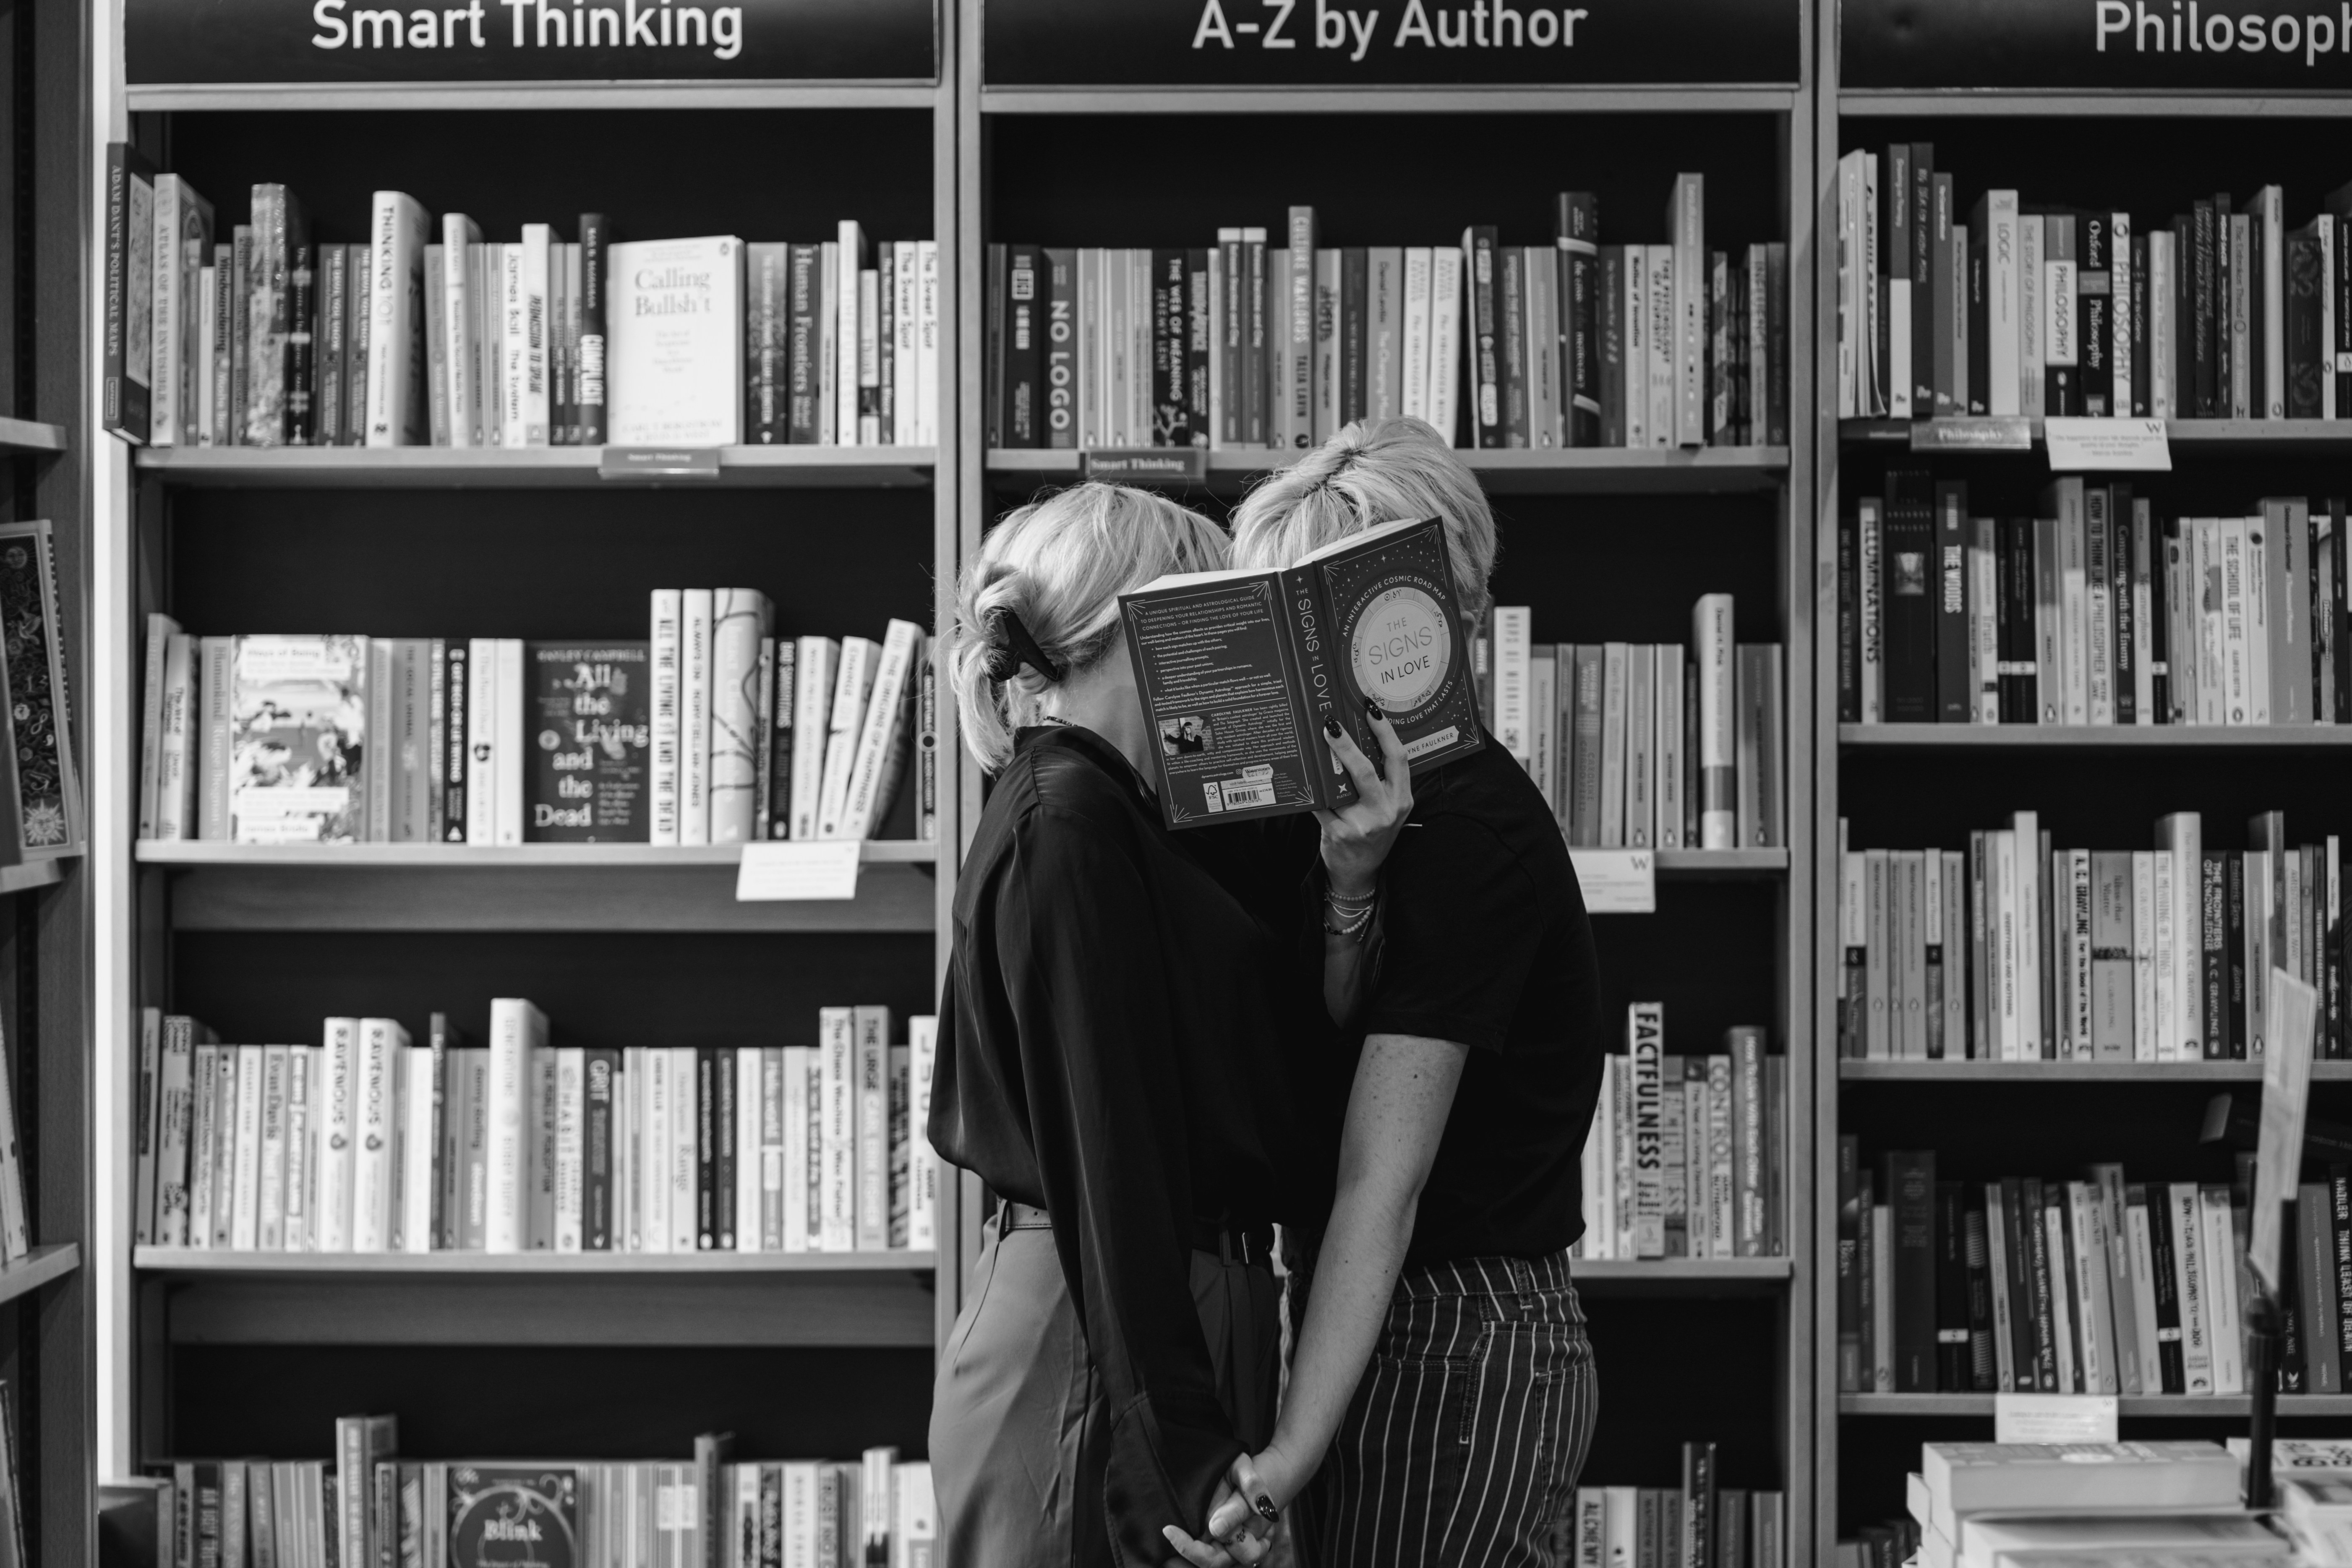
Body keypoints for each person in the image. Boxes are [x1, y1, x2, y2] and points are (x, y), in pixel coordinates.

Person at [925, 481, 1413, 1567]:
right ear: (1147, 620)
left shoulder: (1133, 815)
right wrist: (1183, 1449)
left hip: (1165, 1316)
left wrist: (1347, 877)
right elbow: (1112, 1161)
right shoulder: (1069, 819)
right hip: (1101, 1326)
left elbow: (1270, 1084)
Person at [1168, 417, 1608, 1568]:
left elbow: (1384, 1178)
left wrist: (1280, 1467)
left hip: (1452, 1335)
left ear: (1456, 614)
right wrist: (1349, 882)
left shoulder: (1470, 830)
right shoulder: (1369, 822)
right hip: (1382, 1319)